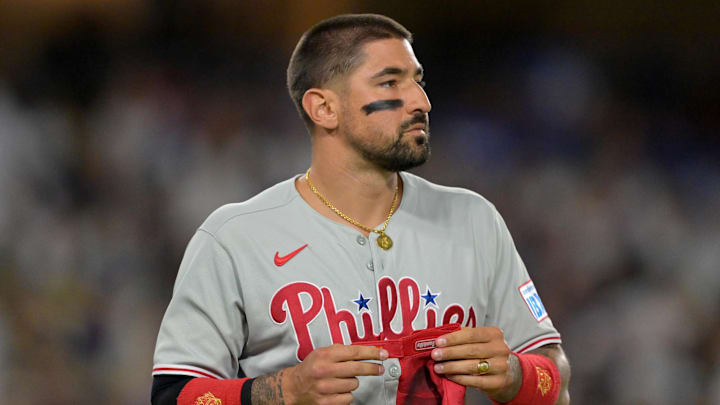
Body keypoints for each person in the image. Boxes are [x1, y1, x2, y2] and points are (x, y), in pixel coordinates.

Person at [151, 13, 571, 405]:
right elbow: (174, 394)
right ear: (324, 108)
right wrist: (284, 389)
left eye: (418, 81)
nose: (421, 101)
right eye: (391, 83)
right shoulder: (235, 237)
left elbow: (557, 375)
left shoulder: (474, 219)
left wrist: (517, 374)